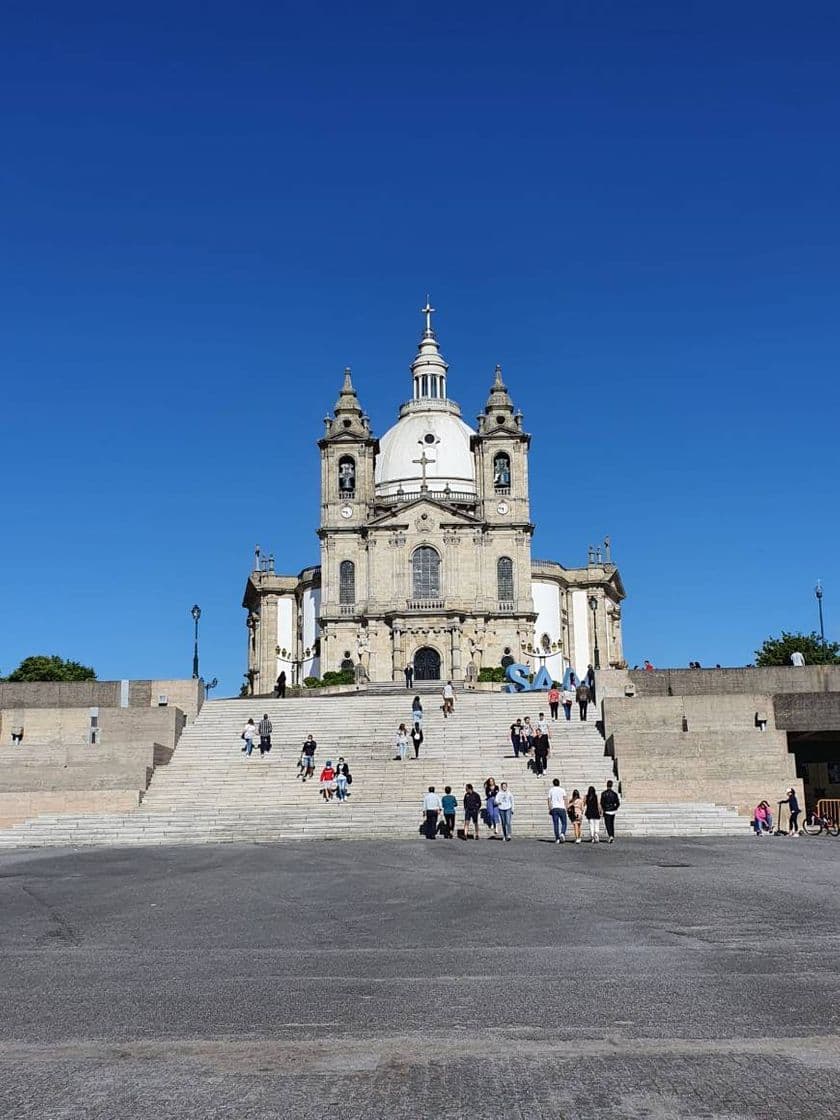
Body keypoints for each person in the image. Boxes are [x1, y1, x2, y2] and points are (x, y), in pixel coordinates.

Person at [547, 778, 568, 843]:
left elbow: (549, 800)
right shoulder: (562, 790)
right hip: (562, 808)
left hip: (554, 808)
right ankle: (562, 833)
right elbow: (565, 799)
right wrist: (566, 808)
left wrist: (550, 808)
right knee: (564, 823)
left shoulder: (551, 790)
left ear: (553, 783)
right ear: (559, 783)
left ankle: (557, 839)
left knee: (556, 824)